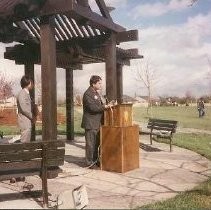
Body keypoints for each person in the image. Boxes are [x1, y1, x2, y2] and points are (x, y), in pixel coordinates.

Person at [81, 75, 108, 168]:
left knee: (96, 144)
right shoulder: (88, 94)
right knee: (90, 145)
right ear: (93, 84)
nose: (101, 85)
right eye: (99, 83)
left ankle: (95, 160)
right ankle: (89, 163)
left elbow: (99, 105)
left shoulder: (96, 93)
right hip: (91, 124)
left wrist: (107, 105)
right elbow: (92, 108)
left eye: (101, 83)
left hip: (97, 124)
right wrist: (104, 107)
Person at [17, 75, 35, 143]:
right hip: (24, 121)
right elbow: (24, 108)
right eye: (32, 82)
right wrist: (32, 117)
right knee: (24, 142)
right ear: (29, 83)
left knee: (26, 140)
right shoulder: (22, 93)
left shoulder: (26, 93)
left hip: (27, 121)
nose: (33, 84)